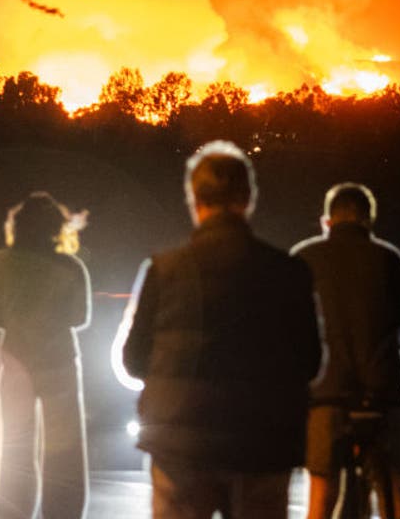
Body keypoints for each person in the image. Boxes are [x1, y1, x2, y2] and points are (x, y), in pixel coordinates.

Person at [118, 140, 322, 519]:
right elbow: (310, 362)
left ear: (194, 200)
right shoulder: (289, 272)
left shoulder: (164, 270)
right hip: (263, 445)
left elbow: (132, 360)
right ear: (248, 199)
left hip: (180, 446)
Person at [291, 183, 400, 519]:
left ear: (326, 221)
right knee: (395, 493)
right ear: (369, 221)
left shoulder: (304, 259)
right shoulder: (390, 260)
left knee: (320, 494)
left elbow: (291, 329)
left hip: (324, 396)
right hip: (383, 393)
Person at [0, 191, 92, 519]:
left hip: (16, 363)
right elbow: (80, 317)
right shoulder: (72, 267)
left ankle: (13, 512)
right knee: (64, 452)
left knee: (15, 449)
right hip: (58, 363)